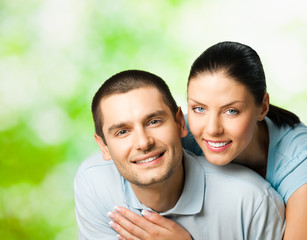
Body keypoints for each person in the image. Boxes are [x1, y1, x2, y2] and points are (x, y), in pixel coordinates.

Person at [113, 42, 307, 240]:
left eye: (231, 111)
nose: (212, 129)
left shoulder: (300, 156)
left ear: (262, 107)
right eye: (199, 108)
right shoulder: (182, 135)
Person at [74, 69, 285, 240]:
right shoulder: (94, 183)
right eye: (122, 132)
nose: (143, 142)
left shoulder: (253, 201)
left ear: (180, 123)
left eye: (154, 122)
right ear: (103, 146)